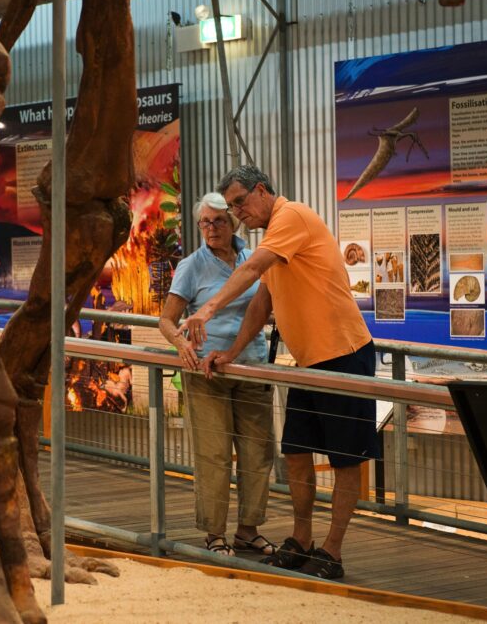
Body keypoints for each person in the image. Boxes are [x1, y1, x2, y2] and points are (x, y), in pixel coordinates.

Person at [182, 165, 379, 580]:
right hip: (308, 363)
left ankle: (333, 550)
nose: (237, 215)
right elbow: (261, 304)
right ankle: (301, 540)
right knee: (295, 453)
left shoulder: (291, 216)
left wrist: (208, 308)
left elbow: (251, 271)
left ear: (261, 190)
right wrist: (232, 352)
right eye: (228, 208)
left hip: (344, 355)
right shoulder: (274, 237)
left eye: (239, 203)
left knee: (345, 460)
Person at [159, 192, 277, 558]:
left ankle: (248, 530)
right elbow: (166, 320)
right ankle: (214, 533)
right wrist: (182, 346)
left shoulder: (249, 259)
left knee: (258, 451)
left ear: (234, 223)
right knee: (214, 455)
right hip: (207, 372)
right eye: (205, 223)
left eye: (219, 221)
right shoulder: (191, 266)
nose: (211, 228)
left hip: (252, 363)